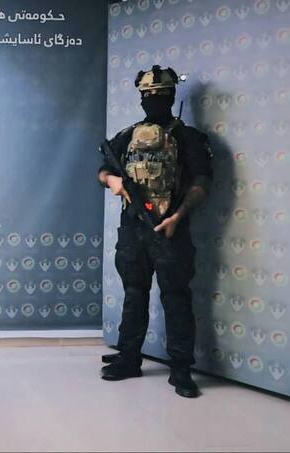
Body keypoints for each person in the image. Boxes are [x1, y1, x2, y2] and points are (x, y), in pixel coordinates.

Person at [98, 65, 212, 398]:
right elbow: (103, 170)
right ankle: (128, 358)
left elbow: (203, 182)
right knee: (134, 294)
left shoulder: (188, 137)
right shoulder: (128, 135)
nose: (154, 101)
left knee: (176, 298)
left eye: (161, 96)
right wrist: (113, 180)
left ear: (172, 96)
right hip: (133, 229)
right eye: (148, 96)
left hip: (170, 229)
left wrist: (178, 216)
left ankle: (181, 369)